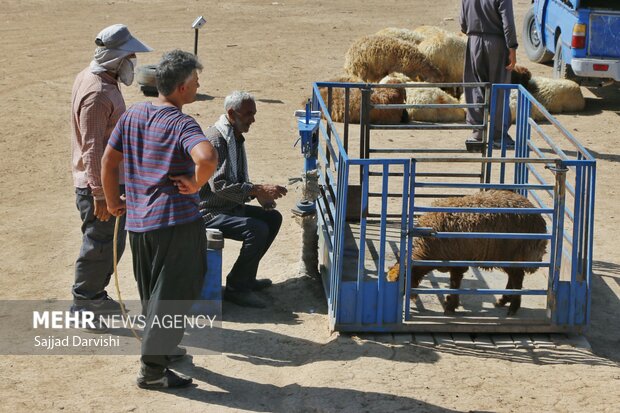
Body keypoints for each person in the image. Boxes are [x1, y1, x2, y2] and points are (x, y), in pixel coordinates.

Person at [101, 49, 218, 389]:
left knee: (155, 295)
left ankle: (163, 348)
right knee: (174, 296)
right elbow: (207, 156)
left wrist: (112, 202)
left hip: (139, 225)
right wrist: (196, 182)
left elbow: (109, 161)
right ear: (181, 88)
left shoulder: (134, 115)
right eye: (195, 82)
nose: (198, 86)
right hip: (176, 226)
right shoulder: (182, 123)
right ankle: (152, 371)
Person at [70, 24, 152, 318]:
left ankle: (96, 296)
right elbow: (93, 148)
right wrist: (101, 195)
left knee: (110, 244)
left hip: (110, 183)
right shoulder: (97, 93)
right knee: (100, 245)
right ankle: (84, 303)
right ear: (117, 58)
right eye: (130, 55)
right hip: (102, 186)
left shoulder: (99, 79)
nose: (133, 61)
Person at [199, 91, 287, 309]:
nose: (252, 120)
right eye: (248, 114)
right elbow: (219, 186)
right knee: (256, 229)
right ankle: (237, 287)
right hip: (209, 213)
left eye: (253, 114)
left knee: (272, 218)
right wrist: (257, 190)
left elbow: (235, 181)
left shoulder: (233, 137)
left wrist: (259, 195)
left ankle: (245, 277)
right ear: (231, 113)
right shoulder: (217, 139)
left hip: (228, 207)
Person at [461, 0, 518, 149]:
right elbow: (508, 21)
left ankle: (477, 135)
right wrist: (512, 47)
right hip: (496, 42)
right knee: (499, 89)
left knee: (475, 87)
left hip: (473, 42)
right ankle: (498, 136)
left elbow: (462, 22)